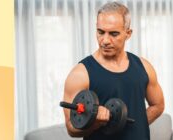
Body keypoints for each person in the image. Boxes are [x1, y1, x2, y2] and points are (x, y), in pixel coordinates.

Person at [63, 2, 164, 140]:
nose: (105, 40)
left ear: (128, 34)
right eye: (100, 32)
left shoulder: (144, 67)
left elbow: (158, 105)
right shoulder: (80, 74)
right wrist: (96, 123)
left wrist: (129, 126)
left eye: (113, 34)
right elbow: (71, 128)